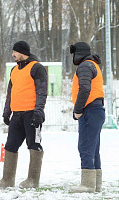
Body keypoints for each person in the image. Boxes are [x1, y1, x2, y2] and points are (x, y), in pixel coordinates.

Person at [0, 41, 47, 189]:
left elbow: (42, 92)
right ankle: (7, 180)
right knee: (10, 146)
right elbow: (10, 93)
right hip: (16, 115)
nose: (13, 54)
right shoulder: (14, 70)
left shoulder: (37, 68)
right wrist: (7, 112)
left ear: (23, 52)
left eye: (15, 52)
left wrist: (38, 111)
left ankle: (32, 180)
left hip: (31, 114)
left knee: (34, 144)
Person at [69, 42, 105, 193]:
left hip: (89, 110)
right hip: (96, 110)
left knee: (85, 147)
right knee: (93, 148)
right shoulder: (93, 64)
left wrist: (78, 110)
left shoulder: (84, 66)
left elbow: (84, 89)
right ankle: (95, 184)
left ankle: (88, 185)